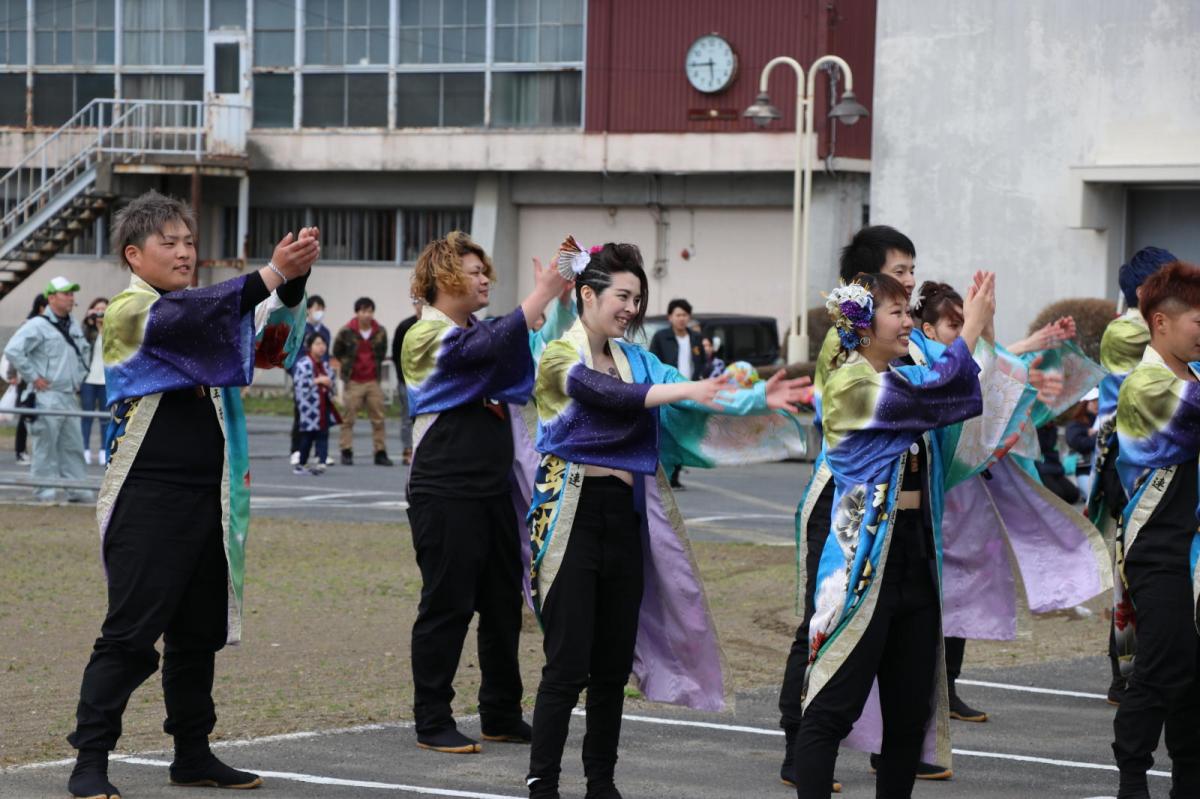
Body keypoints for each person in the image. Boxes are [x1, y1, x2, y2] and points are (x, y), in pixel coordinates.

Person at [526, 241, 810, 799]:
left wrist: (755, 396)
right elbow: (605, 394)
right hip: (569, 520)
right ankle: (543, 782)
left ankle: (601, 781)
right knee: (568, 662)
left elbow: (696, 400)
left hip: (626, 520)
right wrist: (692, 386)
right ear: (588, 294)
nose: (631, 307)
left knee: (611, 665)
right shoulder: (559, 355)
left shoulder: (640, 360)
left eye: (638, 297)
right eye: (622, 295)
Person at [63, 190, 318, 799]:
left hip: (206, 496)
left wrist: (288, 286)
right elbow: (196, 316)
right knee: (128, 633)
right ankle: (89, 758)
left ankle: (193, 753)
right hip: (147, 496)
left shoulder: (200, 308)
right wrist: (271, 272)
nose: (184, 253)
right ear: (133, 254)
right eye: (169, 243)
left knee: (196, 634)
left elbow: (268, 346)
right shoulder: (129, 308)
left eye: (189, 242)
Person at [790, 271, 1008, 799]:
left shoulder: (900, 375)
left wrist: (981, 333)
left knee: (911, 714)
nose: (909, 321)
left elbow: (950, 400)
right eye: (898, 312)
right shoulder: (851, 385)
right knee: (832, 706)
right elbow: (940, 393)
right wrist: (972, 327)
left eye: (910, 311)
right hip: (861, 562)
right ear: (863, 327)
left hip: (913, 555)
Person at [911, 281, 1109, 735]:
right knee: (931, 597)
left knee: (962, 592)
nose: (964, 330)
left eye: (965, 322)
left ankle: (948, 687)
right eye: (953, 324)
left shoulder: (951, 359)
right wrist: (1019, 348)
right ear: (927, 327)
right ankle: (920, 693)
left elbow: (989, 368)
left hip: (967, 494)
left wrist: (1030, 347)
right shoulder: (920, 363)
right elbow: (978, 370)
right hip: (936, 497)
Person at [401, 231, 569, 755]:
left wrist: (548, 309)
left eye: (483, 271)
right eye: (473, 271)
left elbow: (524, 361)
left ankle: (500, 711)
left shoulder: (485, 331)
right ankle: (432, 719)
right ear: (443, 276)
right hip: (444, 490)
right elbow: (485, 347)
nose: (484, 279)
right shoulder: (420, 335)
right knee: (447, 605)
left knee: (501, 605)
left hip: (494, 490)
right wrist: (538, 297)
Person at [777, 224, 917, 790]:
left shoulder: (899, 343)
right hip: (846, 508)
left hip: (895, 524)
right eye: (900, 274)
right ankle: (799, 740)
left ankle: (830, 743)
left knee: (894, 665)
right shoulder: (849, 346)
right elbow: (943, 385)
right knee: (826, 627)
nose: (910, 285)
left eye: (910, 273)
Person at [1111, 260, 1200, 799]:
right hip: (1160, 546)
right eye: (1198, 321)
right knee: (1164, 663)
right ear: (1161, 323)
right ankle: (1132, 778)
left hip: (1195, 552)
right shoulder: (1145, 384)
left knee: (1196, 676)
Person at [1089, 245, 1178, 705]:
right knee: (1133, 566)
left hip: (1147, 457)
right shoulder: (1126, 331)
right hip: (1128, 464)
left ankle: (1133, 669)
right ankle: (1126, 672)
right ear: (1147, 292)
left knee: (1138, 564)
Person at [3, 275, 92, 503]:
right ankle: (45, 494)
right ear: (51, 298)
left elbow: (83, 353)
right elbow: (13, 350)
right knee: (45, 449)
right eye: (66, 293)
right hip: (46, 396)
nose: (71, 298)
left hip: (69, 396)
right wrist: (34, 377)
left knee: (73, 447)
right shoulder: (37, 325)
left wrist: (80, 378)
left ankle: (78, 490)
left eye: (72, 293)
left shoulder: (73, 324)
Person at [648, 298, 704, 488]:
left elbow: (702, 362)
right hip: (668, 391)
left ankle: (675, 475)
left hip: (691, 390)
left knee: (683, 433)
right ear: (670, 317)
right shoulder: (661, 336)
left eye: (685, 315)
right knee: (667, 432)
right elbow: (654, 362)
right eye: (678, 315)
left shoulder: (695, 338)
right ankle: (664, 472)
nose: (681, 319)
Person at [333, 297, 391, 466]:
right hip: (354, 381)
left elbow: (381, 352)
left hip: (373, 380)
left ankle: (380, 452)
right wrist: (346, 365)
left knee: (378, 418)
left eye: (370, 311)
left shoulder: (380, 331)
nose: (367, 315)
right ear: (357, 312)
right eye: (363, 311)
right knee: (348, 418)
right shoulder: (346, 331)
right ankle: (346, 451)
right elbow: (337, 351)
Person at [290, 295, 333, 466]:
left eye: (322, 308)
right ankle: (296, 450)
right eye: (316, 308)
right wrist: (297, 374)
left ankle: (320, 453)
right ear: (308, 310)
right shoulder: (300, 329)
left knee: (323, 417)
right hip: (305, 378)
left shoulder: (325, 332)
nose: (319, 312)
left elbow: (327, 357)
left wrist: (327, 376)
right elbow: (293, 354)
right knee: (301, 417)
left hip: (322, 380)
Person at [292, 332, 340, 475]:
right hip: (309, 407)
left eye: (323, 344)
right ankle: (302, 463)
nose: (321, 347)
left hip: (323, 405)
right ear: (310, 346)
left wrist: (329, 384)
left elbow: (333, 386)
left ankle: (321, 461)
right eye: (317, 344)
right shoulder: (303, 364)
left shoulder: (326, 365)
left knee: (323, 434)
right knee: (307, 435)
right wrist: (317, 381)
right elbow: (299, 385)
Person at [391, 297, 423, 465]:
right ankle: (407, 449)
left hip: (426, 382)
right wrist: (401, 378)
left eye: (423, 302)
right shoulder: (405, 326)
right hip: (406, 380)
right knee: (407, 417)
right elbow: (396, 354)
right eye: (417, 302)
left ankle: (421, 449)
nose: (420, 306)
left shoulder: (433, 325)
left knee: (425, 416)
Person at [80, 297, 109, 466]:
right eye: (97, 309)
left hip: (106, 380)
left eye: (103, 310)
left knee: (105, 418)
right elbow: (79, 341)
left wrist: (105, 325)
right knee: (87, 417)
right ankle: (85, 450)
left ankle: (104, 450)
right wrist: (87, 319)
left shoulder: (112, 329)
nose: (100, 313)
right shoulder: (87, 330)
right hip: (88, 380)